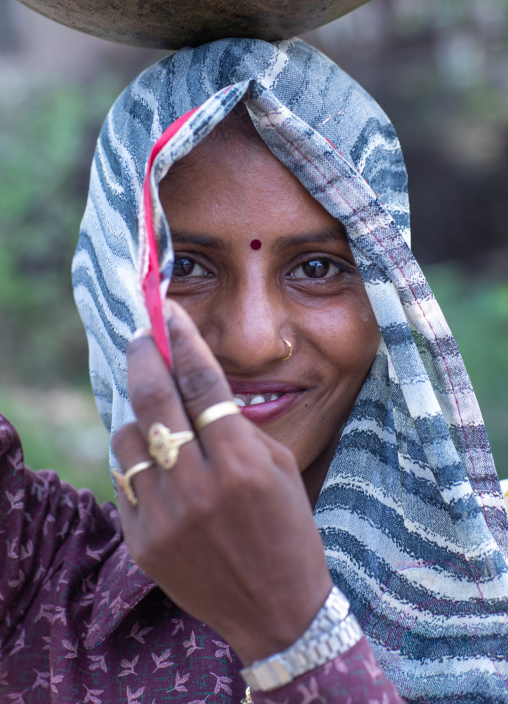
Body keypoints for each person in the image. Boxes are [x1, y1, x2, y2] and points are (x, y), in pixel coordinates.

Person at [1, 37, 508, 703]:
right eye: (184, 267)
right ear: (113, 291)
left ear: (387, 300)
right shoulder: (38, 572)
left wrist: (291, 633)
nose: (251, 342)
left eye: (317, 268)